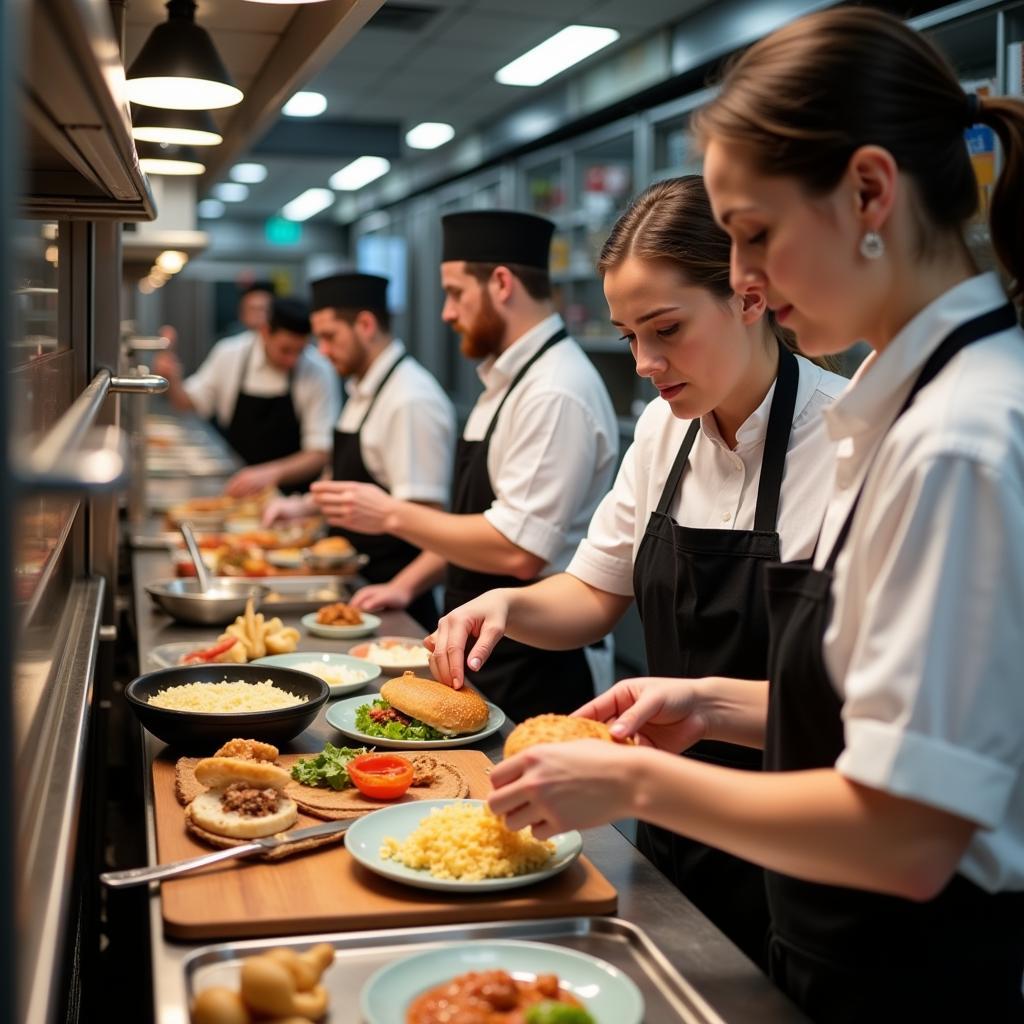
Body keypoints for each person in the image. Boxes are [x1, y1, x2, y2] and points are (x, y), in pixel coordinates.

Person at [483, 9, 1024, 1022]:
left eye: (755, 235)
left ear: (869, 192)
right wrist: (710, 704)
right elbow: (894, 723)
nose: (745, 281)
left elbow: (909, 834)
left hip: (906, 976)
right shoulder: (911, 408)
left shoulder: (955, 436)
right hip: (822, 935)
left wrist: (635, 787)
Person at [429, 176, 847, 966]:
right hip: (662, 820)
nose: (647, 364)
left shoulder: (847, 438)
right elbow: (593, 592)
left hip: (791, 833)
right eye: (628, 337)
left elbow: (856, 704)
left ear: (751, 298)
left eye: (667, 329)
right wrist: (508, 607)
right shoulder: (664, 427)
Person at [314, 211, 619, 722]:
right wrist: (408, 585)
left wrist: (391, 514)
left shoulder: (555, 390)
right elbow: (478, 519)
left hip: (537, 659)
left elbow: (518, 549)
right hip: (482, 642)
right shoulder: (507, 381)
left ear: (501, 283)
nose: (446, 313)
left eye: (456, 293)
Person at [264, 273, 455, 631]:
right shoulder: (362, 388)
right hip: (357, 585)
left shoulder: (410, 399)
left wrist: (400, 588)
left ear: (366, 324)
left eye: (329, 336)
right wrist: (301, 506)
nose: (320, 350)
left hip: (396, 605)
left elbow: (435, 527)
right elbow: (345, 481)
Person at [156, 296, 339, 496]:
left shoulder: (318, 370)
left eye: (299, 351)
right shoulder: (229, 354)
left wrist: (269, 474)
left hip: (294, 499)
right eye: (285, 350)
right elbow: (188, 404)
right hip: (236, 489)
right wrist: (172, 381)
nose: (292, 360)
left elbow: (320, 453)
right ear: (265, 331)